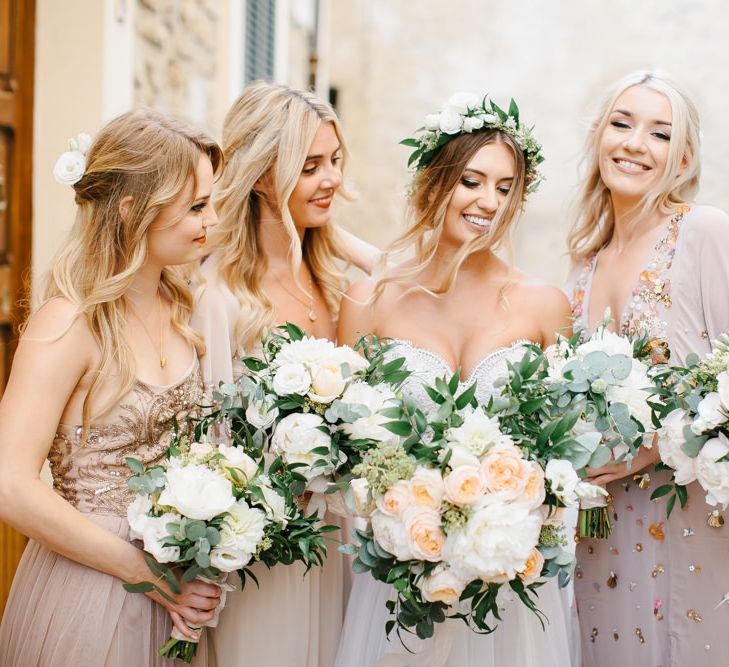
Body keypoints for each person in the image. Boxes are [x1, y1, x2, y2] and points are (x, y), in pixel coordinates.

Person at [334, 93, 578, 667]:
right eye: (471, 180)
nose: (488, 201)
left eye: (504, 187)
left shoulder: (546, 306)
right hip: (402, 572)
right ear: (432, 184)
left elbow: (565, 451)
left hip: (511, 575)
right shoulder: (370, 299)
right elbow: (347, 444)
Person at [0, 109, 223, 666]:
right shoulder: (69, 323)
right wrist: (142, 572)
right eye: (197, 206)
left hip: (179, 593)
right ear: (132, 210)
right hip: (91, 590)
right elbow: (11, 486)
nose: (212, 220)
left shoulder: (186, 312)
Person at [191, 81, 380, 667]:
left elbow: (413, 289)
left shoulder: (334, 282)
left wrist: (333, 235)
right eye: (310, 166)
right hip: (261, 549)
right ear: (261, 174)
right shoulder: (218, 293)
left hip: (335, 539)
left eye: (335, 162)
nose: (331, 180)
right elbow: (206, 440)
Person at [566, 70, 729, 667]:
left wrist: (655, 445)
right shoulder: (583, 263)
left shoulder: (703, 233)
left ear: (683, 159)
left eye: (659, 134)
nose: (635, 143)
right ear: (597, 137)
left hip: (693, 526)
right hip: (600, 533)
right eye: (621, 123)